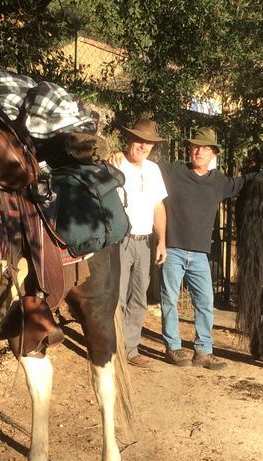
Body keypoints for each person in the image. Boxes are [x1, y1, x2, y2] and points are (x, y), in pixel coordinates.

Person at [158, 127, 263, 370]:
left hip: (199, 255)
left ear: (213, 154)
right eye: (195, 147)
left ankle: (204, 352)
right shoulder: (174, 172)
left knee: (206, 302)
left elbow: (245, 181)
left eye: (205, 148)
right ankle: (173, 348)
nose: (199, 151)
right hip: (173, 249)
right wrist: (119, 158)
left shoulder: (218, 182)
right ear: (190, 149)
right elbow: (146, 166)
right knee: (169, 299)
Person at [114, 118, 168, 366]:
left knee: (139, 297)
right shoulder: (115, 163)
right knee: (118, 297)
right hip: (121, 240)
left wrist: (161, 242)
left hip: (145, 241)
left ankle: (130, 348)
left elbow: (158, 207)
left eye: (148, 143)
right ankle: (112, 349)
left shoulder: (153, 170)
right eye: (139, 140)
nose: (143, 146)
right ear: (129, 140)